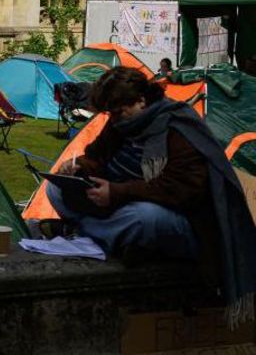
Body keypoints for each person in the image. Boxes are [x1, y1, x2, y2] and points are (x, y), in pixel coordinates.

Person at [49, 66, 256, 323]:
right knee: (55, 190)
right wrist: (80, 167)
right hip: (119, 201)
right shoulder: (120, 123)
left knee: (144, 217)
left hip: (179, 218)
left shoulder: (178, 127)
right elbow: (97, 157)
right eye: (111, 114)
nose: (115, 119)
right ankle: (109, 237)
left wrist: (117, 192)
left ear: (141, 101)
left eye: (119, 111)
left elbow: (181, 189)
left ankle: (88, 232)